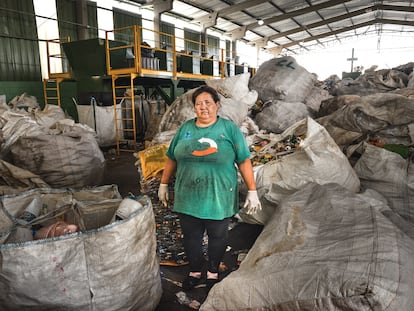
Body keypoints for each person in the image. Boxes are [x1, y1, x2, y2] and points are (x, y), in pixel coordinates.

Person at [158, 85, 261, 292]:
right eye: (198, 103)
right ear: (194, 107)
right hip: (188, 196)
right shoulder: (186, 128)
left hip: (218, 196)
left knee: (217, 237)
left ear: (217, 105)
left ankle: (213, 271)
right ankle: (195, 271)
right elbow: (171, 157)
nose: (203, 107)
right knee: (191, 237)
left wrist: (252, 190)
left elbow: (244, 161)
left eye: (207, 102)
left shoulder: (229, 129)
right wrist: (163, 183)